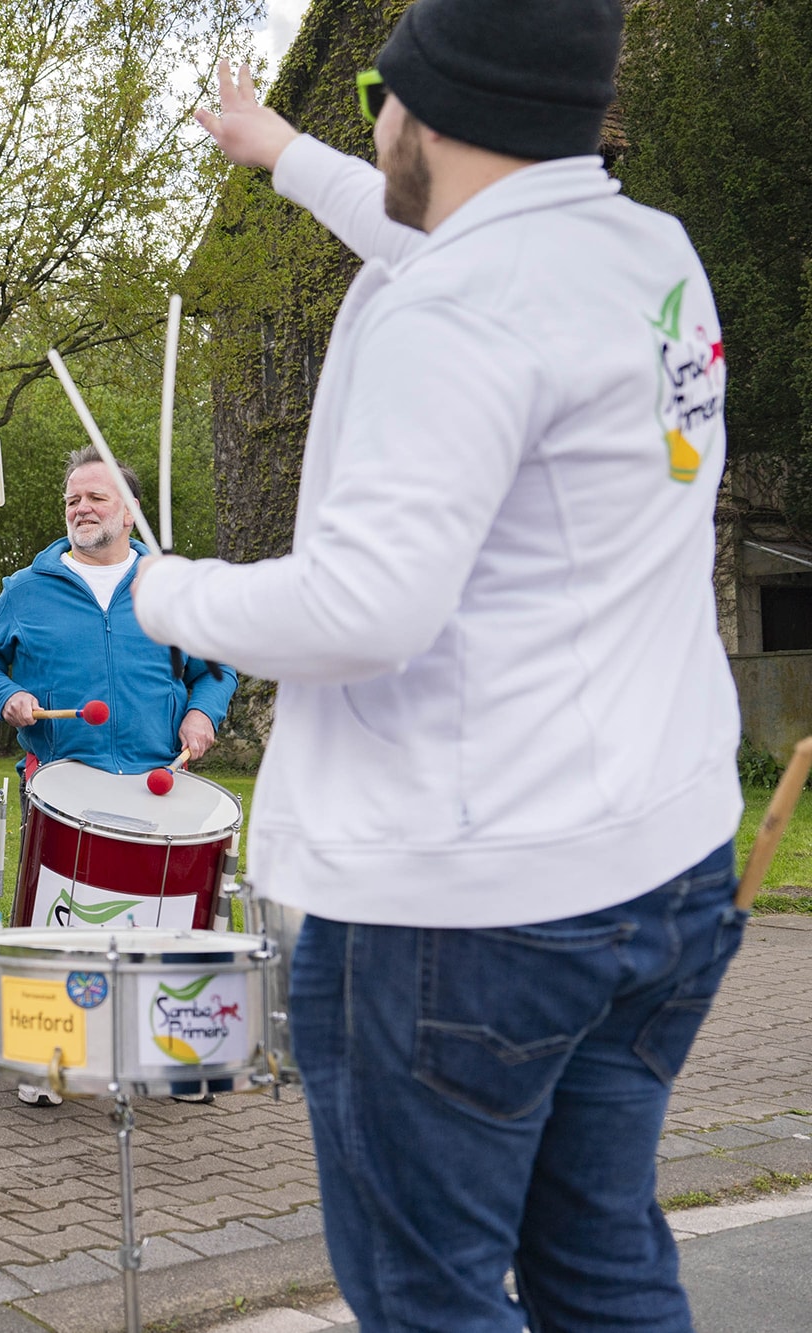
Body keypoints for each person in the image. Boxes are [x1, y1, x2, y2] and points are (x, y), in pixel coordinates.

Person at [133, 7, 741, 1326]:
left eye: (376, 96)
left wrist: (159, 589)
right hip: (663, 869)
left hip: (470, 915)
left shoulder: (455, 311)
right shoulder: (646, 256)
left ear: (430, 111)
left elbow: (364, 608)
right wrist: (278, 149)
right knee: (601, 1256)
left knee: (433, 1295)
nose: (373, 122)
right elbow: (420, 222)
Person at [0, 448, 237, 1107]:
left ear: (130, 511)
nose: (81, 508)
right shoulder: (27, 587)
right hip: (64, 781)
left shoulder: (165, 584)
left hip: (153, 782)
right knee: (61, 922)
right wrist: (8, 697)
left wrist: (202, 712)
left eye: (96, 497)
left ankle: (171, 1053)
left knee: (164, 922)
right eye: (73, 499)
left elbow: (215, 666)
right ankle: (48, 1056)